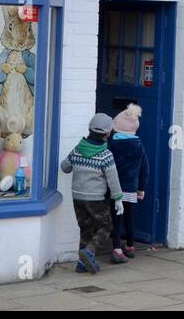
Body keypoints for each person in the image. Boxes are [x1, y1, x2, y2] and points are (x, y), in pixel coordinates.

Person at [60, 112, 126, 272]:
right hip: (96, 199)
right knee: (106, 226)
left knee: (86, 228)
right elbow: (113, 179)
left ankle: (82, 264)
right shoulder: (105, 155)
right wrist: (118, 198)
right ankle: (89, 251)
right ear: (107, 133)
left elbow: (65, 167)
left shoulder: (78, 149)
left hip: (77, 197)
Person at [108, 103, 149, 258]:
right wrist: (141, 188)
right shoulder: (139, 146)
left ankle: (117, 248)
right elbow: (145, 169)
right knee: (128, 217)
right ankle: (131, 246)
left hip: (115, 188)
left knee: (116, 218)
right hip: (131, 188)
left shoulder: (112, 144)